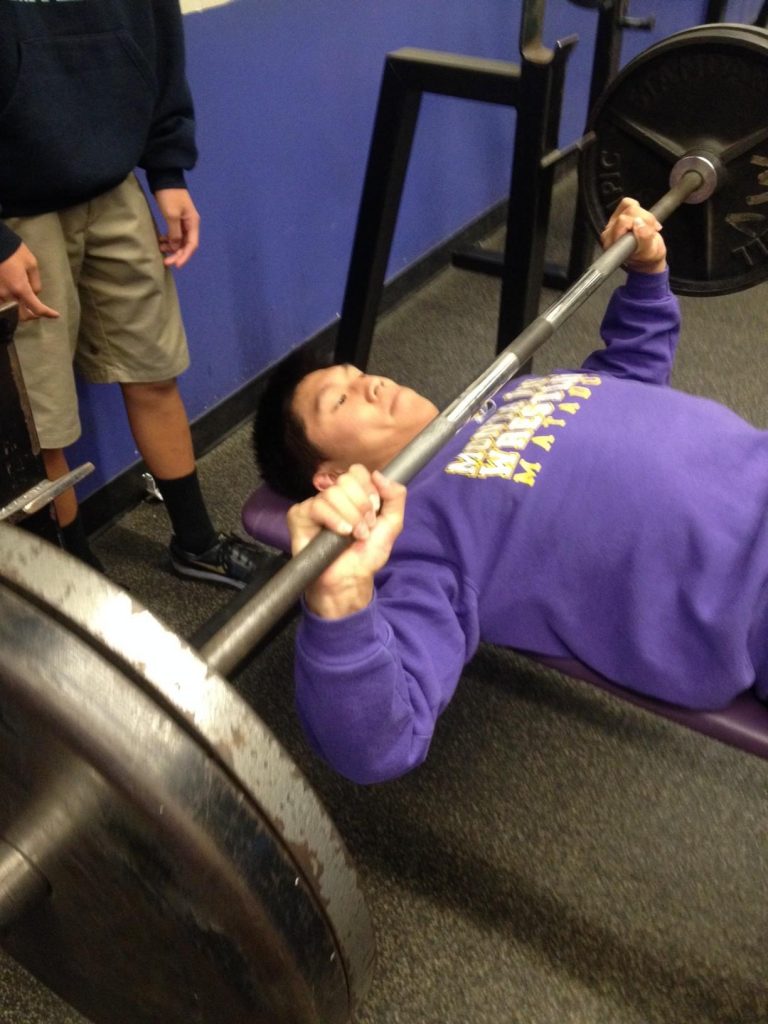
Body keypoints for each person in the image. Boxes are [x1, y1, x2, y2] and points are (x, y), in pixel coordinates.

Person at [254, 198, 768, 784]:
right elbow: (378, 745)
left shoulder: (502, 396)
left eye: (356, 374)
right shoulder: (415, 534)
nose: (370, 382)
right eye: (340, 401)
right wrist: (339, 600)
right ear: (328, 476)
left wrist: (647, 277)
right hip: (746, 591)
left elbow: (626, 384)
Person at [0, 0, 264, 588]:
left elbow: (160, 40)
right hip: (16, 212)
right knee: (41, 419)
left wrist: (167, 169)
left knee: (153, 370)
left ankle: (195, 541)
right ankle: (69, 583)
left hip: (115, 185)